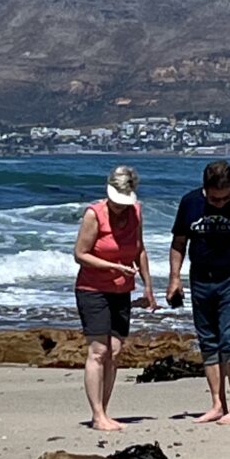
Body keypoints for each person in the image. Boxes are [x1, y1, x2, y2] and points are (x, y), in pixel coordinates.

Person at [167, 160, 230, 424]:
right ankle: (217, 404)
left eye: (225, 199)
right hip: (201, 277)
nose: (221, 204)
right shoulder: (190, 203)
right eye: (215, 199)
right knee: (208, 340)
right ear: (205, 190)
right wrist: (174, 278)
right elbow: (179, 242)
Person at [74, 165, 156, 430]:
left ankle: (105, 411)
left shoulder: (136, 212)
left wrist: (148, 286)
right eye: (117, 202)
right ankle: (97, 415)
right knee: (98, 350)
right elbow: (80, 254)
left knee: (116, 351)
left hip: (122, 290)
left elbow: (139, 249)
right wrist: (111, 267)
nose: (120, 207)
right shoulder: (94, 214)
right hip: (93, 288)